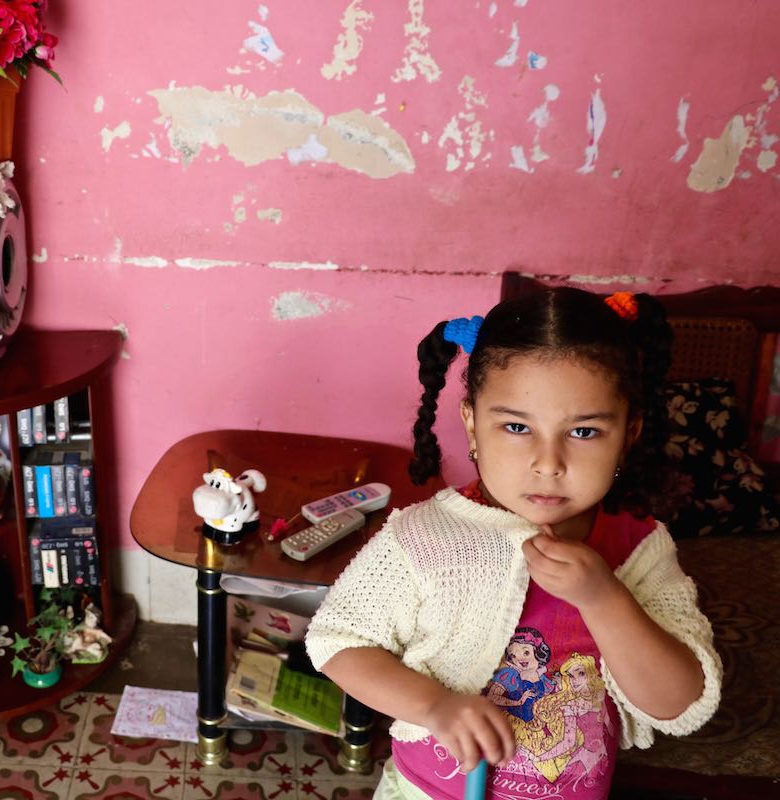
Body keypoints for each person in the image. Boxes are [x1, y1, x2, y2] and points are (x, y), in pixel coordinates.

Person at [305, 288, 721, 800]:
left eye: (585, 431)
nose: (549, 463)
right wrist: (434, 705)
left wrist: (603, 596)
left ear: (628, 433)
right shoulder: (423, 536)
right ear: (472, 425)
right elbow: (338, 641)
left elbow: (679, 705)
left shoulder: (638, 546)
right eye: (517, 426)